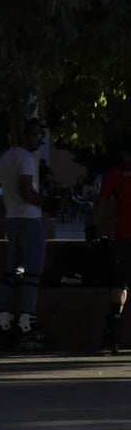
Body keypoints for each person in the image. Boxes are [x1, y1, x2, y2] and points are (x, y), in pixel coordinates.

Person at [0, 118, 51, 350]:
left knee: (11, 273)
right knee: (32, 273)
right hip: (30, 220)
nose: (40, 139)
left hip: (12, 218)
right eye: (36, 135)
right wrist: (48, 203)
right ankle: (27, 324)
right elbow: (27, 192)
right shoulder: (26, 158)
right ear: (23, 135)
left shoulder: (7, 157)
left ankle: (4, 321)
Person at [94, 142, 131, 353]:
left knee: (119, 284)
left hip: (124, 238)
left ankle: (113, 335)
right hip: (124, 238)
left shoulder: (115, 175)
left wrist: (92, 226)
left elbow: (101, 202)